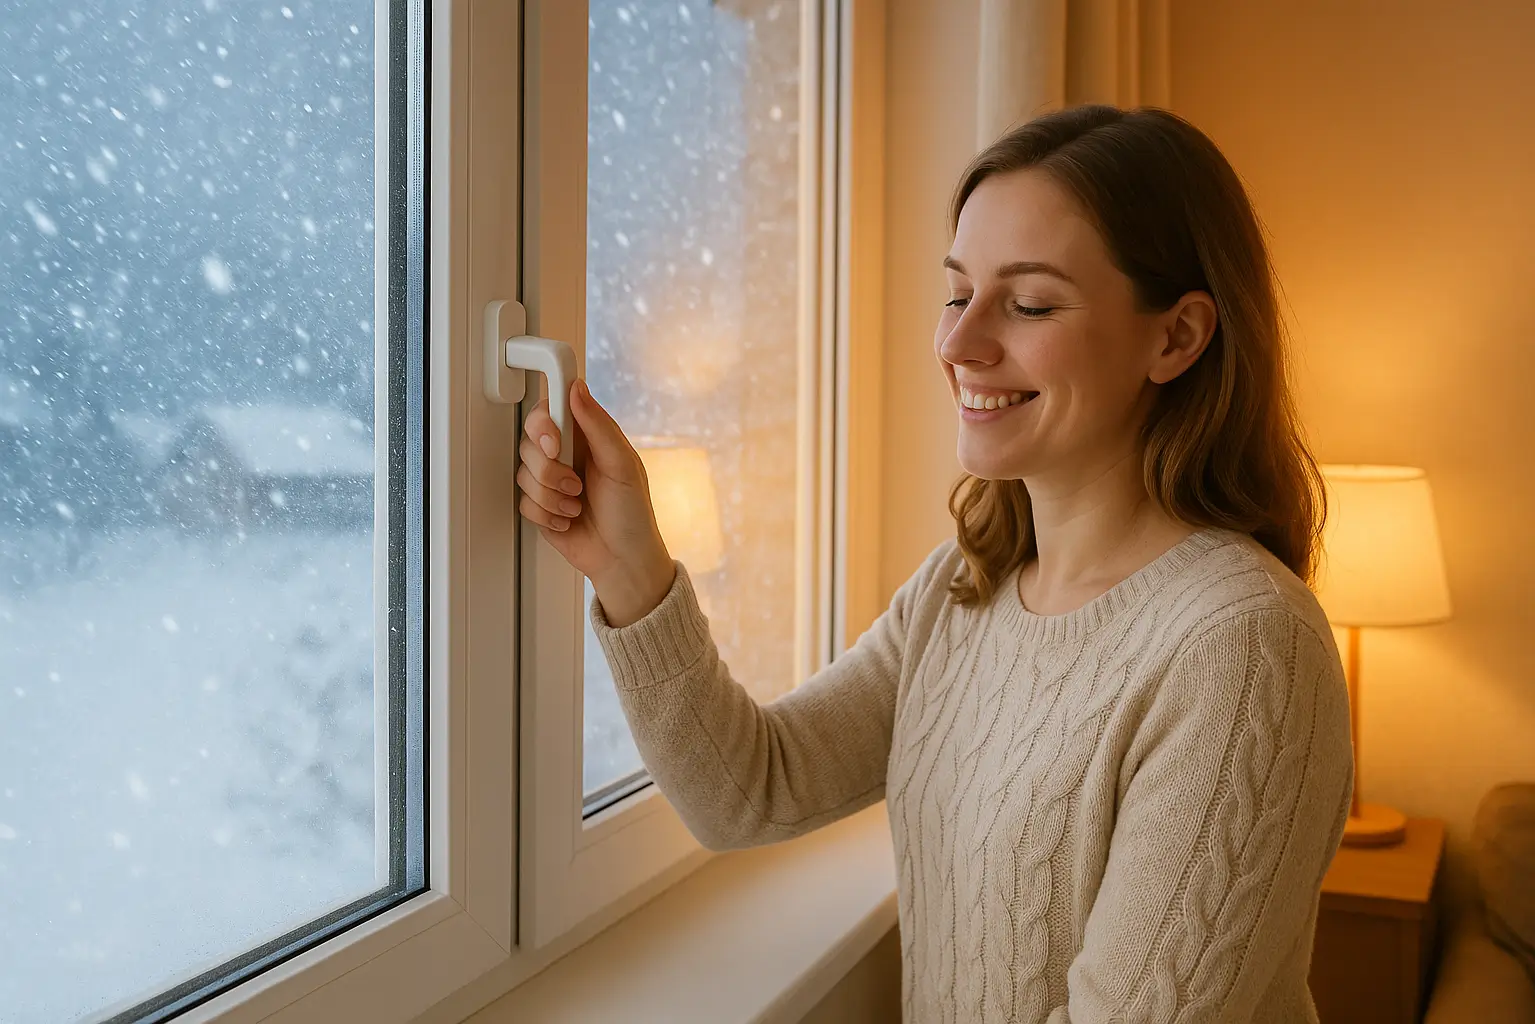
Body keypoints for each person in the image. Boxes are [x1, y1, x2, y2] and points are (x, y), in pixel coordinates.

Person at [516, 104, 1354, 1023]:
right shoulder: (965, 588)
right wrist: (631, 569)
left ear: (1178, 338)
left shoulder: (1243, 650)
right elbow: (751, 790)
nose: (959, 344)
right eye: (958, 294)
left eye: (1029, 303)